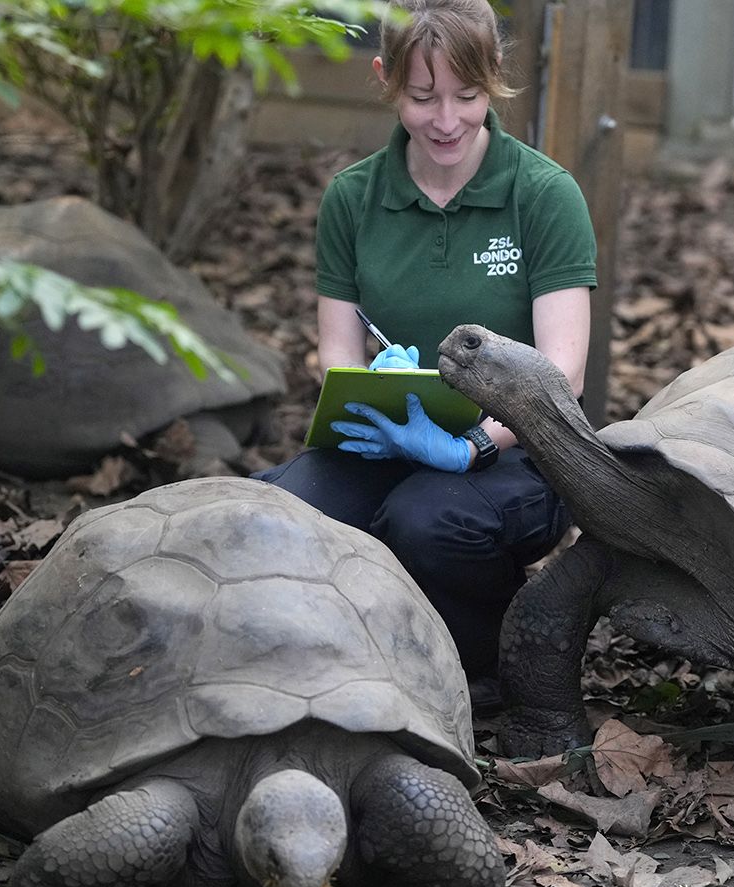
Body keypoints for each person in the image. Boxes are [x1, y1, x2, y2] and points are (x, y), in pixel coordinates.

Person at [253, 0, 597, 707]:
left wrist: (466, 445)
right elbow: (336, 356)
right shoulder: (353, 199)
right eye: (422, 96)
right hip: (386, 440)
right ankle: (321, 676)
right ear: (385, 79)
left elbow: (563, 376)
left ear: (493, 76)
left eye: (466, 96)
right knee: (273, 516)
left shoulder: (543, 195)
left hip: (518, 453)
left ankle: (488, 665)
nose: (446, 119)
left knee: (427, 517)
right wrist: (372, 397)